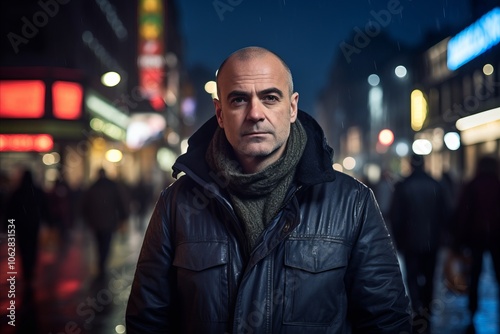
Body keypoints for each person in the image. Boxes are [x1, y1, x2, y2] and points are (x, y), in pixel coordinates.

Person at [126, 46, 411, 333]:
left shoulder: (352, 203)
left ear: (292, 108)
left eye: (270, 98)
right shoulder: (178, 204)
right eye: (239, 100)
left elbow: (386, 321)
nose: (255, 114)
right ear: (220, 112)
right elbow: (147, 320)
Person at [390, 154, 448, 333]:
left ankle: (417, 307)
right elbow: (445, 213)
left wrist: (398, 240)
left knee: (413, 276)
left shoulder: (403, 186)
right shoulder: (435, 185)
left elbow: (396, 216)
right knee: (429, 277)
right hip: (432, 241)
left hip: (410, 241)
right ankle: (426, 309)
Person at [450, 156, 500, 331]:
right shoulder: (497, 183)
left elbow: (464, 214)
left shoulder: (472, 185)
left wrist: (458, 241)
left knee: (475, 276)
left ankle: (472, 311)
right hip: (495, 237)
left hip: (476, 237)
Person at [5, 168, 50, 295]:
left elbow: (10, 211)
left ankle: (26, 271)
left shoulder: (17, 193)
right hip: (33, 225)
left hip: (21, 226)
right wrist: (49, 220)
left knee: (24, 248)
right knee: (33, 247)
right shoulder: (37, 192)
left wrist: (8, 225)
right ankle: (30, 270)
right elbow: (45, 207)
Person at [82, 168, 128, 280]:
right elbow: (121, 202)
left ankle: (101, 263)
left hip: (96, 222)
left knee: (99, 244)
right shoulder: (113, 186)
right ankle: (102, 263)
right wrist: (123, 217)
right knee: (106, 244)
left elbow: (84, 205)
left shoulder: (93, 187)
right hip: (109, 222)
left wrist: (87, 219)